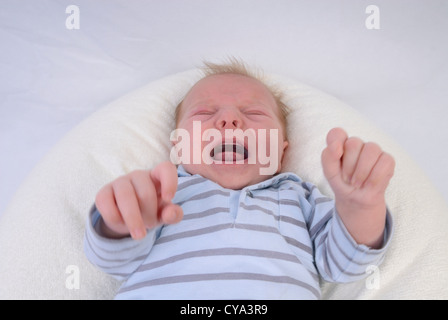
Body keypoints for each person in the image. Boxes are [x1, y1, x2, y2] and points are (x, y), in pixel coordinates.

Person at [84, 59, 395, 299]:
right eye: (204, 113)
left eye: (255, 114)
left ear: (282, 152)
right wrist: (122, 220)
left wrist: (360, 207)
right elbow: (112, 262)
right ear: (177, 146)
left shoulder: (299, 197)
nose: (229, 119)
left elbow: (344, 265)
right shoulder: (163, 193)